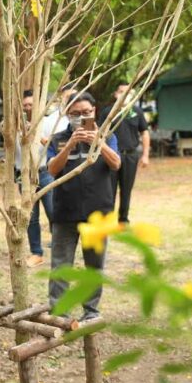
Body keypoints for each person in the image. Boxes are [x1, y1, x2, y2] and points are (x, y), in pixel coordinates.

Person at [47, 92, 121, 322]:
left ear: (95, 111)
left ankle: (91, 312)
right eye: (75, 114)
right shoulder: (58, 138)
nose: (81, 117)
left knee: (94, 266)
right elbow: (51, 169)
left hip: (98, 213)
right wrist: (70, 145)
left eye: (86, 113)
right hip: (65, 213)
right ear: (67, 115)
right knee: (61, 266)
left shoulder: (108, 135)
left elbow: (116, 163)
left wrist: (98, 143)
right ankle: (59, 312)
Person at [20, 89, 58, 267]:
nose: (28, 108)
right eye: (25, 105)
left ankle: (60, 250)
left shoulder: (48, 122)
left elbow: (55, 146)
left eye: (31, 105)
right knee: (31, 218)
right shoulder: (17, 125)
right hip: (25, 177)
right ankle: (36, 253)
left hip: (46, 173)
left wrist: (37, 135)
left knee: (53, 212)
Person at [102, 82, 150, 224]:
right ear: (116, 94)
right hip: (111, 155)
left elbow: (145, 133)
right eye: (122, 91)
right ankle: (108, 220)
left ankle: (123, 219)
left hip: (130, 155)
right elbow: (100, 133)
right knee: (109, 189)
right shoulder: (108, 112)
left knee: (126, 189)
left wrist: (145, 155)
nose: (125, 95)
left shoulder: (137, 112)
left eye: (128, 92)